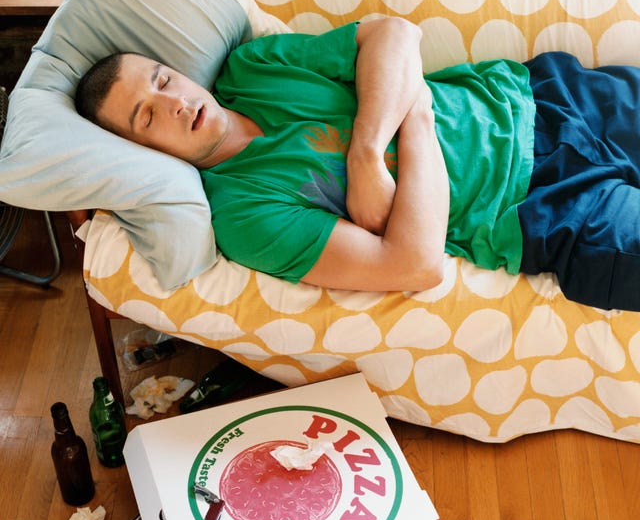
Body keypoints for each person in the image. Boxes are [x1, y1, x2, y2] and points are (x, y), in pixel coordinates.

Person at [75, 18, 640, 312]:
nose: (173, 102)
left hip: (544, 95)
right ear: (143, 152)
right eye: (148, 118)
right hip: (542, 209)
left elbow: (392, 33)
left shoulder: (252, 67)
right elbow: (413, 265)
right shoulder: (241, 213)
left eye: (162, 79)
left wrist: (368, 152)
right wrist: (415, 110)